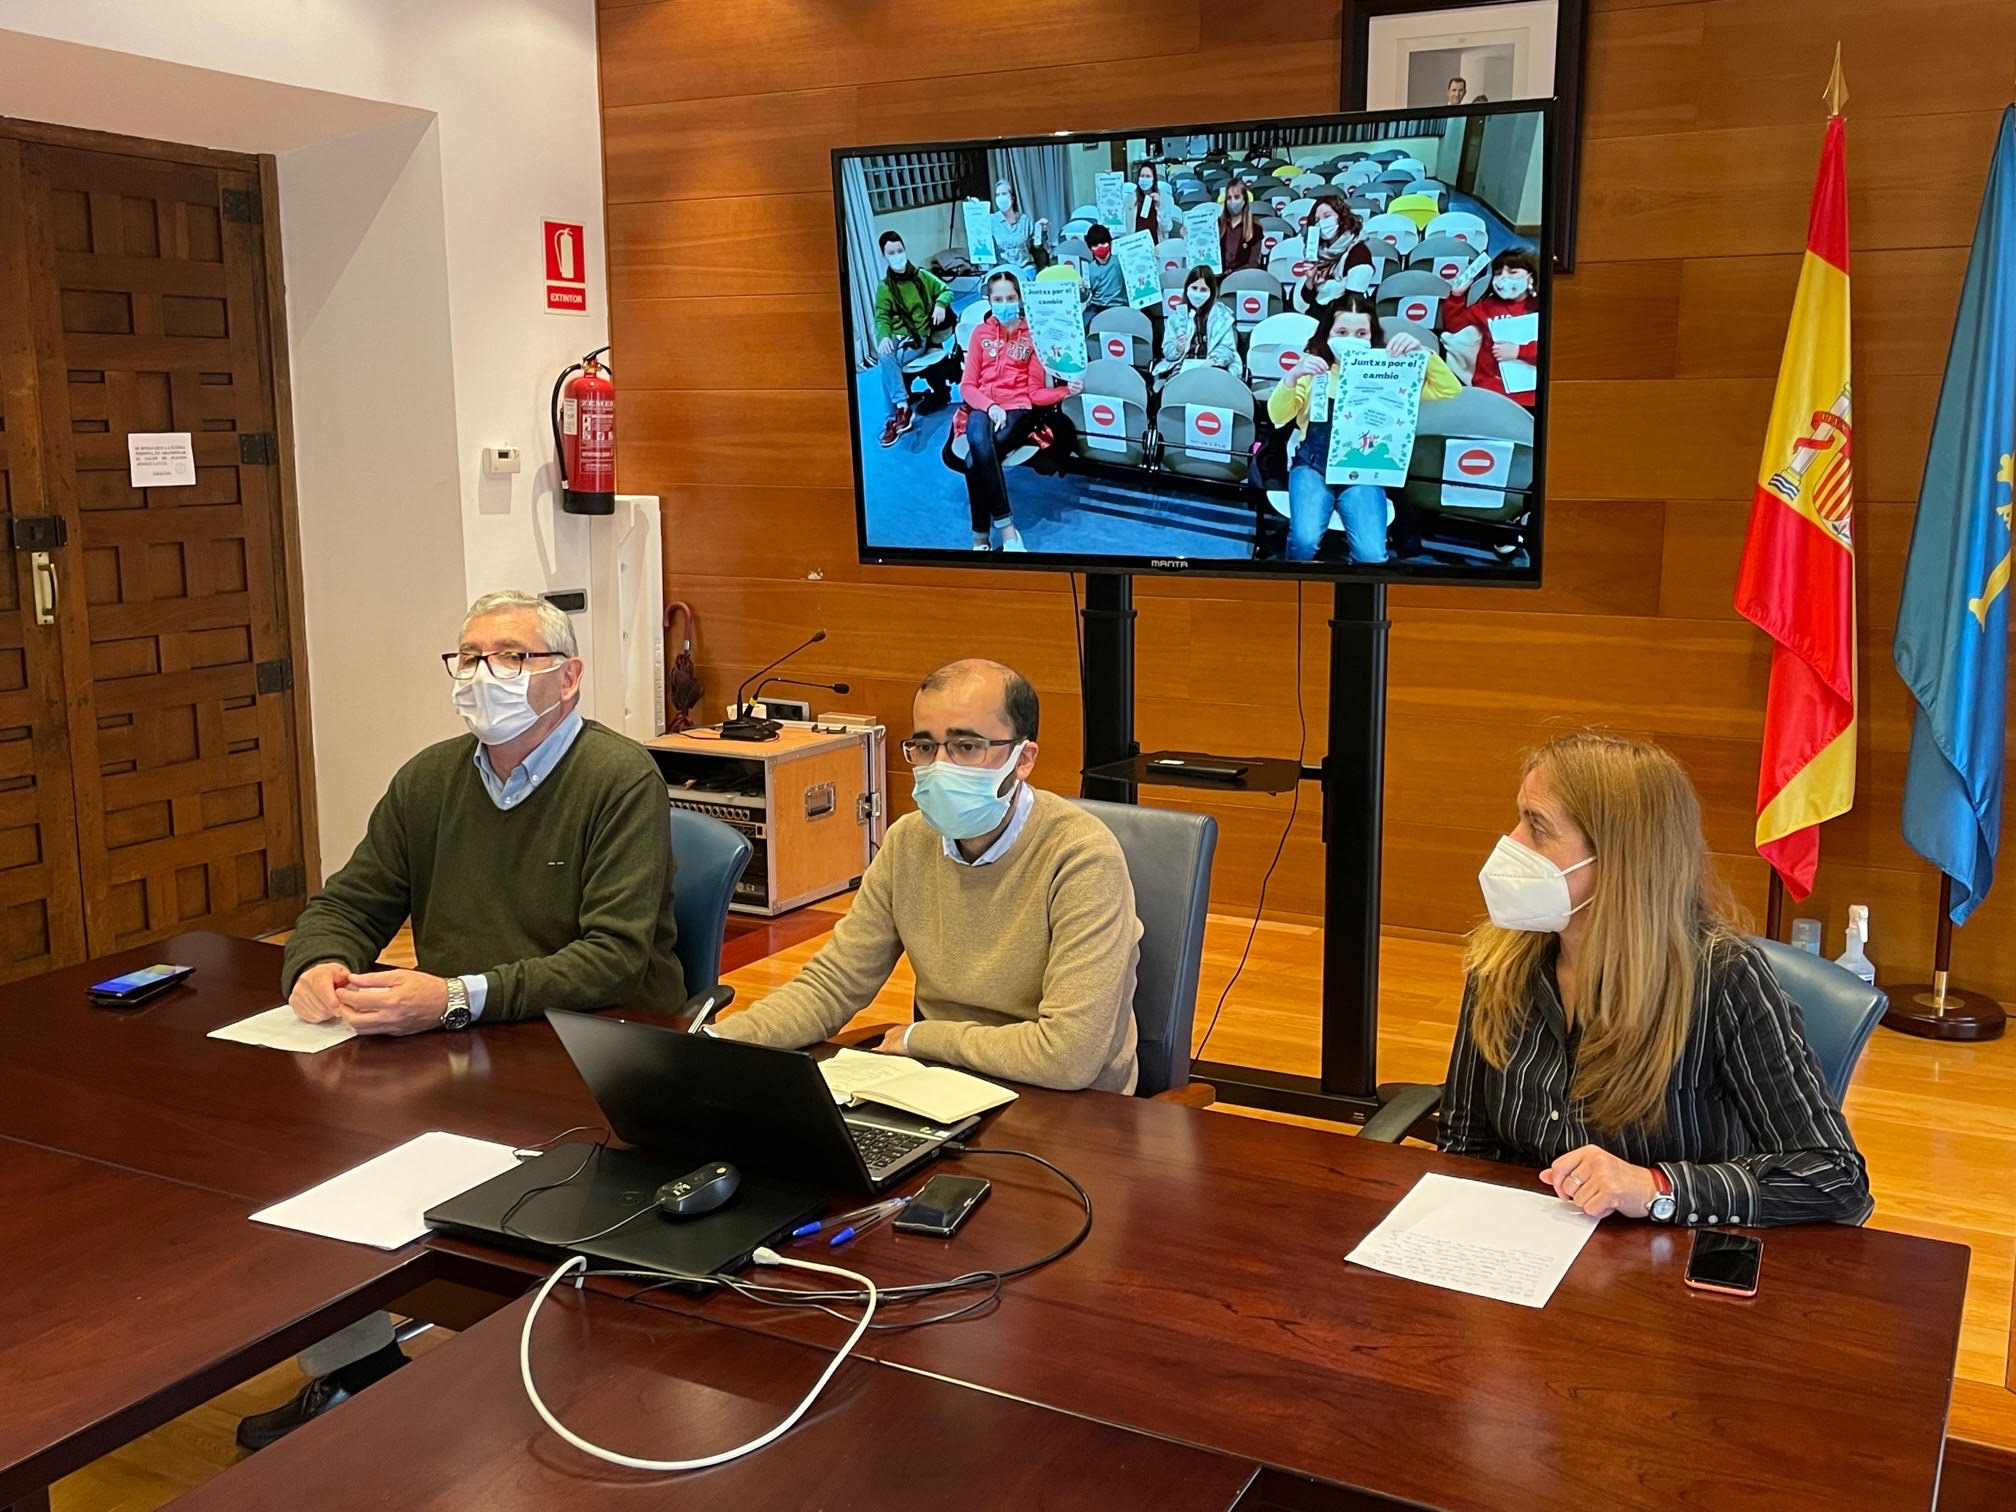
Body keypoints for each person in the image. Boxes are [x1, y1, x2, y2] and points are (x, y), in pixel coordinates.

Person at [240, 590, 683, 1451]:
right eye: (471, 657)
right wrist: (316, 963)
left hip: (590, 1051)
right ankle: (358, 1373)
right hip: (452, 1044)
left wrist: (451, 996)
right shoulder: (430, 778)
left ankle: (544, 1401)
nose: (487, 675)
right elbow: (347, 903)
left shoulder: (620, 778)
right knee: (296, 1166)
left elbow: (616, 959)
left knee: (503, 1211)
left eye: (512, 656)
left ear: (569, 677)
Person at [1441, 733, 1873, 1228]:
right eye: (1518, 817)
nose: (1510, 845)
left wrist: (1656, 1187)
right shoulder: (1501, 960)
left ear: (1620, 856)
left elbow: (1832, 1175)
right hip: (1523, 1248)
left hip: (1662, 1253)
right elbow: (1465, 1138)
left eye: (1537, 827)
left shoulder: (1724, 979)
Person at [714, 659, 1143, 1093]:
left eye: (966, 746)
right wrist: (718, 1045)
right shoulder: (907, 842)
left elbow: (1068, 1058)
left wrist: (924, 1038)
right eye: (925, 747)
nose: (940, 767)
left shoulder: (1082, 856)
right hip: (940, 1087)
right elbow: (833, 986)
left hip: (1070, 1107)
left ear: (1023, 758)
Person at [1267, 293, 1459, 562]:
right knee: (1304, 540)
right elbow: (1277, 416)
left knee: (1372, 554)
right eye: (1342, 331)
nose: (1352, 339)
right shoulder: (1314, 368)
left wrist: (1423, 355)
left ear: (1372, 336)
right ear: (1328, 333)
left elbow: (1448, 390)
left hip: (1364, 469)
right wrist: (1292, 376)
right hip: (1312, 466)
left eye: (1361, 333)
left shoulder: (1391, 371)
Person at [947, 270, 1080, 553]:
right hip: (983, 405)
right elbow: (968, 386)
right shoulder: (980, 334)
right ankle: (1008, 533)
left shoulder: (1032, 337)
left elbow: (1034, 393)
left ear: (1019, 299)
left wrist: (1065, 390)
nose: (1004, 303)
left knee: (974, 460)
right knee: (977, 436)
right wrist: (990, 406)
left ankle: (980, 537)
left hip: (1018, 409)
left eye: (1010, 297)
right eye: (998, 298)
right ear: (989, 300)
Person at [871, 230, 953, 447]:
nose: (897, 255)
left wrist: (940, 304)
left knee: (887, 365)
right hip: (897, 335)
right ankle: (902, 409)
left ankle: (895, 415)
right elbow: (881, 317)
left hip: (918, 336)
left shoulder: (921, 276)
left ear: (905, 250)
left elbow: (945, 290)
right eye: (891, 252)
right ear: (884, 256)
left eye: (899, 250)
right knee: (885, 354)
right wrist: (883, 337)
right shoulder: (885, 287)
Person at [1441, 248, 1541, 408]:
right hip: (1490, 388)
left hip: (1531, 392)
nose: (1503, 279)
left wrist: (1519, 351)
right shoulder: (1486, 307)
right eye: (1498, 273)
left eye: (1513, 272)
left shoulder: (1542, 308)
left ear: (1531, 277)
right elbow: (1456, 327)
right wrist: (1457, 296)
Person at [1153, 265, 1238, 388]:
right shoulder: (1176, 318)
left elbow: (1227, 349)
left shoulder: (1222, 317)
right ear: (1187, 289)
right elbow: (1168, 352)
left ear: (1212, 292)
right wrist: (1177, 348)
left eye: (1203, 290)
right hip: (1182, 368)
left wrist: (1213, 361)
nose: (1198, 294)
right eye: (1194, 288)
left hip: (1213, 368)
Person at [1291, 192, 1375, 315]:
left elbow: (1354, 301)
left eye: (1327, 216)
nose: (1322, 223)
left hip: (1342, 319)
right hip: (1316, 316)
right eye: (1317, 220)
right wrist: (1310, 279)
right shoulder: (1319, 253)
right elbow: (1307, 300)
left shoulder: (1359, 252)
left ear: (1341, 217)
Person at [988, 178, 1048, 274]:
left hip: (1025, 268)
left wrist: (1041, 230)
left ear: (1012, 198)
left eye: (1004, 194)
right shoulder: (990, 221)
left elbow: (1037, 245)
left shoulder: (1024, 220)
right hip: (1002, 271)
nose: (1000, 197)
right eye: (998, 195)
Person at [1081, 222, 1127, 315]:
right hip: (1097, 308)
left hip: (1120, 306)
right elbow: (1084, 297)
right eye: (1095, 245)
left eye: (1103, 243)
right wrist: (1082, 291)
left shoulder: (1121, 261)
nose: (1100, 247)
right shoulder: (1088, 268)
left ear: (1110, 243)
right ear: (1090, 248)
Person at [1218, 179, 1264, 272]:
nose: (1232, 201)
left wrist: (1232, 273)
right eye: (1229, 198)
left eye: (1236, 197)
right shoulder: (1217, 225)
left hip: (1243, 279)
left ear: (1245, 199)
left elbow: (1253, 263)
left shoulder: (1255, 228)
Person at [1126, 161, 1177, 242]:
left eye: (1148, 176)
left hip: (1157, 245)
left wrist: (1159, 207)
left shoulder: (1166, 199)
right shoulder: (1129, 199)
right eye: (1142, 176)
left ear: (1154, 179)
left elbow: (1167, 228)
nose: (1144, 179)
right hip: (1136, 246)